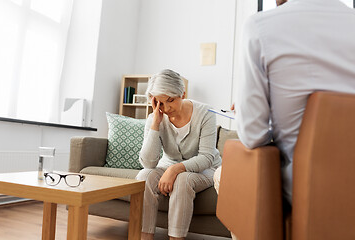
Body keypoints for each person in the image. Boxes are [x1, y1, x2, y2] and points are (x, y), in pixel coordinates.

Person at [214, 0, 355, 238]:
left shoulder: (261, 27)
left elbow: (253, 136)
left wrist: (260, 112)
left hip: (308, 188)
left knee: (222, 174)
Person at [136, 69, 221, 240]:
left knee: (183, 179)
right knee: (144, 176)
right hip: (168, 165)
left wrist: (175, 170)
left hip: (205, 169)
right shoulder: (156, 117)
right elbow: (148, 163)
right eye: (160, 102)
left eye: (170, 100)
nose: (166, 108)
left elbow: (206, 157)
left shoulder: (206, 114)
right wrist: (155, 124)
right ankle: (144, 237)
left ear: (182, 93)